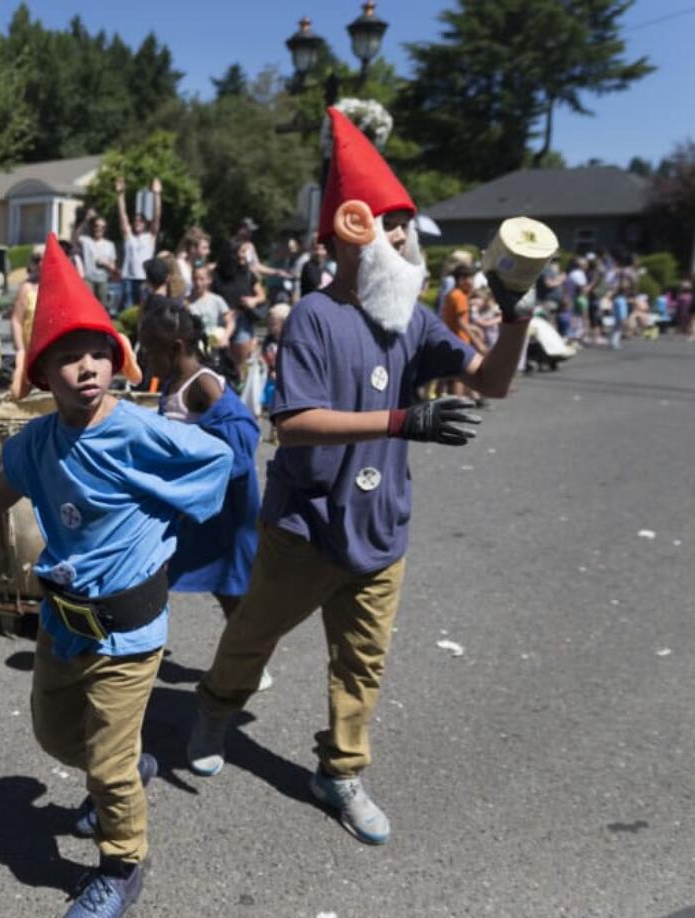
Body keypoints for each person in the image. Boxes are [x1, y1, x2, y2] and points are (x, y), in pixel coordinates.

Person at [185, 106, 533, 848]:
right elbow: (295, 422)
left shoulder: (413, 318)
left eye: (407, 223)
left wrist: (518, 321)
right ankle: (215, 706)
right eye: (387, 221)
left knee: (363, 664)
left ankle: (339, 771)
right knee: (252, 634)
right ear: (346, 232)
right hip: (305, 526)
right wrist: (405, 422)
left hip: (381, 529)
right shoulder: (312, 314)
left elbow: (491, 383)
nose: (403, 236)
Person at [0, 233, 232, 918]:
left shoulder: (142, 431)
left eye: (97, 352)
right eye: (66, 358)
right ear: (42, 375)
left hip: (130, 633)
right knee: (55, 738)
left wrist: (164, 522)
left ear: (117, 359)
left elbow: (219, 461)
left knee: (105, 769)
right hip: (61, 624)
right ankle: (129, 772)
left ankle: (121, 865)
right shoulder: (37, 441)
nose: (85, 367)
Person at [138, 299, 267, 690]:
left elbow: (242, 434)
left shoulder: (203, 384)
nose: (144, 358)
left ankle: (250, 663)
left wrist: (191, 453)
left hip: (221, 510)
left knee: (225, 585)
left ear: (176, 349)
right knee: (210, 583)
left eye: (149, 350)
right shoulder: (177, 384)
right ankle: (246, 660)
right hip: (196, 509)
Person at [213, 241, 265, 379]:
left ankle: (240, 389)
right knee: (218, 361)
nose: (245, 256)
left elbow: (261, 296)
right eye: (242, 252)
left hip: (242, 320)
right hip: (220, 322)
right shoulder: (217, 274)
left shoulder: (248, 273)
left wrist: (253, 300)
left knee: (240, 362)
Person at [115, 175, 161, 310]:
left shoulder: (150, 237)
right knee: (128, 308)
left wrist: (156, 195)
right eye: (135, 220)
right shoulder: (129, 237)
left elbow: (157, 217)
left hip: (145, 279)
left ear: (145, 223)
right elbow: (122, 215)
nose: (137, 222)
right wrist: (120, 194)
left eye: (140, 220)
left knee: (145, 309)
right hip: (129, 278)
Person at [441, 263, 487, 398]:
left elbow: (456, 319)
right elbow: (461, 323)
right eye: (470, 278)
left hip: (451, 337)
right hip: (459, 339)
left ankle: (445, 402)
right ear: (461, 280)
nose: (472, 282)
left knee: (448, 375)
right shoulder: (459, 296)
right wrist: (477, 341)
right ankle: (458, 404)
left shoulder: (453, 294)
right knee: (460, 375)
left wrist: (474, 328)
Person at [9, 244, 44, 398]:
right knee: (21, 395)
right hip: (30, 351)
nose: (40, 264)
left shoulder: (60, 287)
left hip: (50, 352)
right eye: (36, 260)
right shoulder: (27, 288)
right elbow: (16, 320)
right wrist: (20, 349)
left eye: (44, 259)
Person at [74, 210, 120, 316]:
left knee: (102, 309)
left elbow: (114, 268)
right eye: (96, 226)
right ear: (93, 227)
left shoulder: (110, 245)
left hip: (103, 280)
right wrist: (86, 220)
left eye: (102, 227)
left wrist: (105, 264)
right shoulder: (86, 241)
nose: (99, 228)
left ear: (105, 229)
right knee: (88, 306)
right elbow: (76, 236)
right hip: (89, 279)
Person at [186, 264, 235, 347]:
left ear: (209, 280)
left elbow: (230, 322)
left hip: (213, 344)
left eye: (202, 279)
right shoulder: (185, 302)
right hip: (193, 346)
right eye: (195, 279)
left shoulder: (217, 300)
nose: (198, 283)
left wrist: (225, 337)